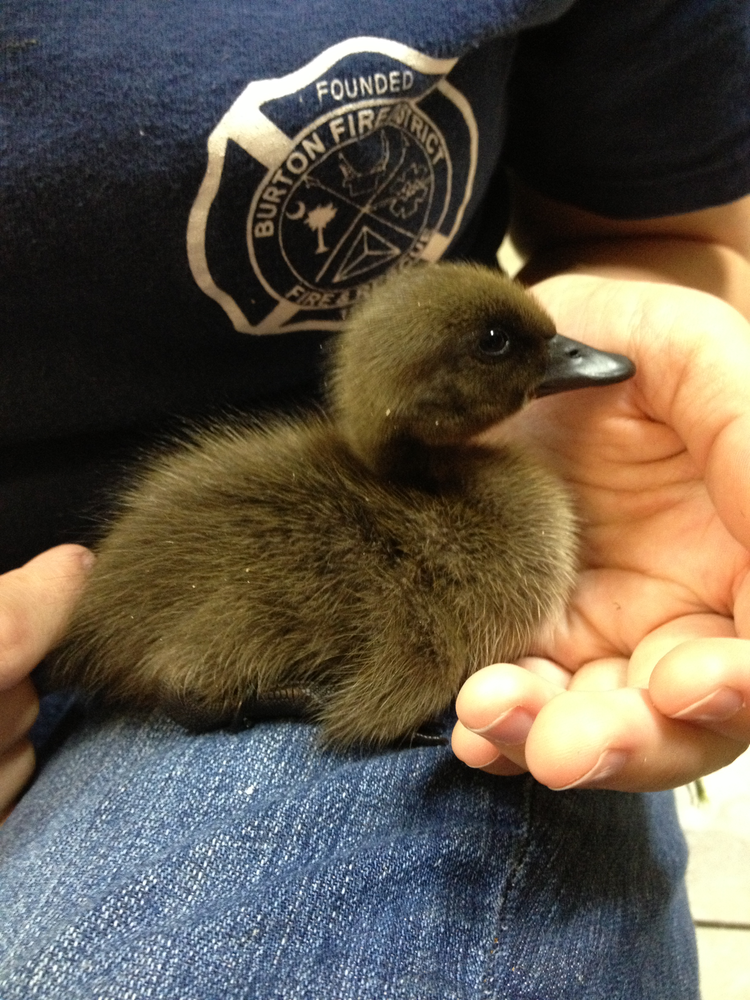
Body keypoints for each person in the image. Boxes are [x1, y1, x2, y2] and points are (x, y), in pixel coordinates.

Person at [1, 0, 749, 996]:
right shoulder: (454, 557)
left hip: (133, 643)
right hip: (151, 640)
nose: (573, 357)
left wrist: (662, 321)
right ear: (423, 395)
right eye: (502, 347)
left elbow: (662, 226)